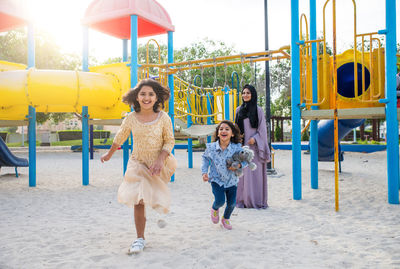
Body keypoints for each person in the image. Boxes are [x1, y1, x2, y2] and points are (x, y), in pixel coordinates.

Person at [100, 79, 177, 254]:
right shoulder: (131, 118)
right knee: (138, 199)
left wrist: (160, 159)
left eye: (151, 94)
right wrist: (109, 154)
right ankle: (140, 238)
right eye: (143, 94)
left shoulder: (164, 118)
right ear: (137, 97)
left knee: (153, 197)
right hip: (137, 163)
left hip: (159, 163)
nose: (146, 97)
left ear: (157, 98)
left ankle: (154, 213)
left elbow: (169, 140)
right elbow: (120, 137)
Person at [201, 120, 248, 230]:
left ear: (232, 134)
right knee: (220, 200)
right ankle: (215, 209)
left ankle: (225, 218)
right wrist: (204, 172)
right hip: (216, 180)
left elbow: (247, 160)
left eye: (227, 129)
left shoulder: (236, 148)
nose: (223, 131)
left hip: (232, 181)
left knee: (232, 204)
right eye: (221, 129)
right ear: (218, 133)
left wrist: (239, 165)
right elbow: (205, 158)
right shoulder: (211, 148)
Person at [235, 84, 271, 209]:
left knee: (253, 174)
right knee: (242, 175)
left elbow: (262, 130)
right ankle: (243, 200)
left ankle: (255, 200)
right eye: (243, 93)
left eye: (248, 93)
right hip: (242, 148)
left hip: (255, 148)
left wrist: (255, 139)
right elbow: (235, 128)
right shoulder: (238, 110)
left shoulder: (258, 110)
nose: (245, 95)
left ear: (253, 94)